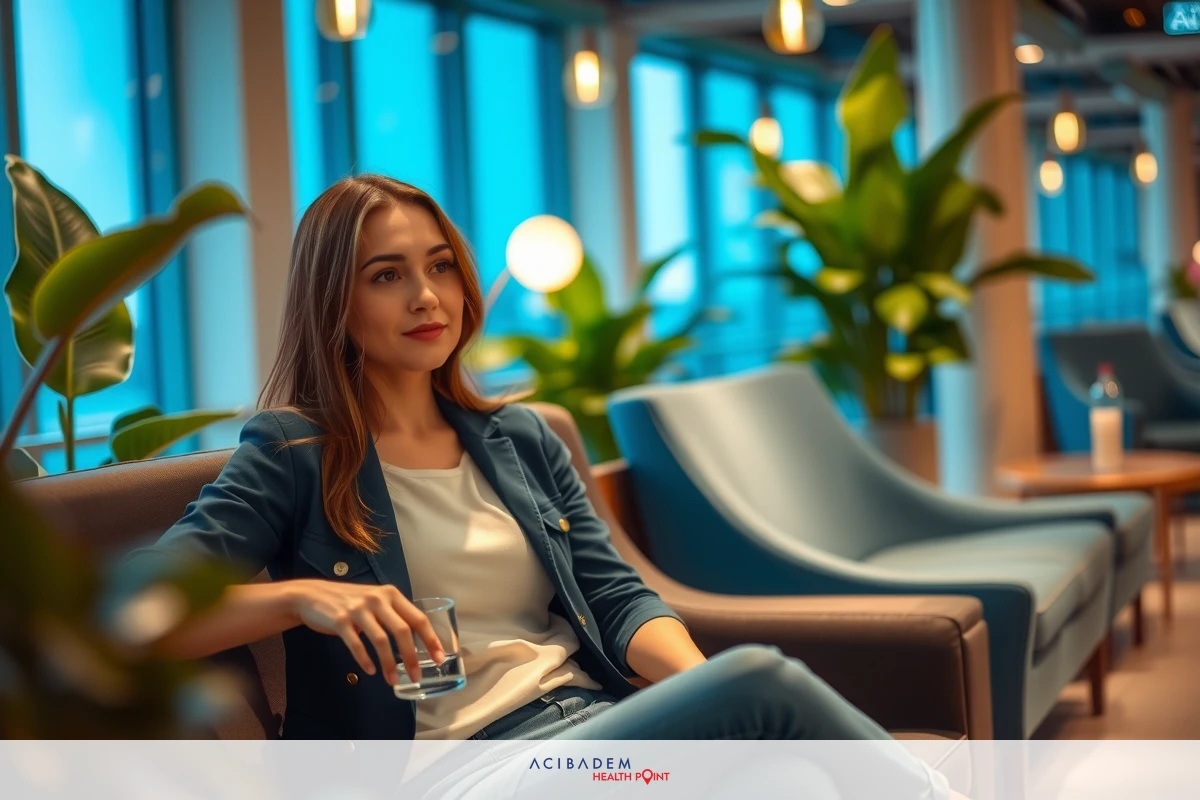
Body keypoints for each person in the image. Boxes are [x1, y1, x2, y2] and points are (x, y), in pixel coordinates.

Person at [126, 175, 948, 797]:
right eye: (387, 276)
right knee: (764, 684)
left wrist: (701, 698)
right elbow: (137, 620)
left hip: (597, 738)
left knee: (784, 776)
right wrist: (301, 598)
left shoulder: (520, 438)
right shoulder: (293, 452)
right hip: (463, 773)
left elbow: (619, 600)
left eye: (440, 266)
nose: (426, 297)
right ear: (333, 302)